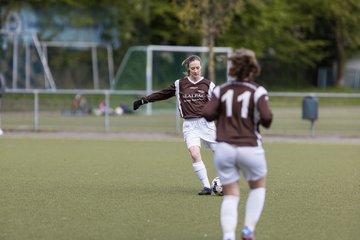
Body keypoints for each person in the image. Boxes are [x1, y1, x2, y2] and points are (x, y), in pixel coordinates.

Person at [202, 49, 273, 240]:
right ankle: (248, 230)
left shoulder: (221, 90)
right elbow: (267, 119)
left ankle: (228, 236)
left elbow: (208, 114)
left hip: (224, 148)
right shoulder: (258, 91)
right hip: (250, 146)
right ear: (253, 69)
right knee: (257, 187)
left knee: (231, 195)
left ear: (232, 68)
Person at [133, 55, 217, 195]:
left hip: (206, 124)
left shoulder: (208, 85)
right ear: (188, 69)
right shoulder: (180, 84)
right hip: (190, 125)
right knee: (195, 154)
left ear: (201, 67)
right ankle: (207, 187)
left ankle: (226, 180)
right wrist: (143, 100)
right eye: (193, 68)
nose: (196, 71)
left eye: (198, 68)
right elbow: (163, 94)